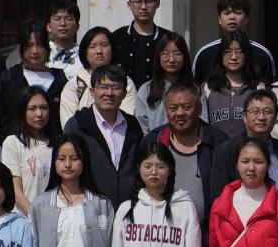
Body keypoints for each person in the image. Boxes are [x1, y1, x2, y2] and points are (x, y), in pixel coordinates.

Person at [66, 66, 148, 206]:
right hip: (89, 207)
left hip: (128, 207)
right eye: (103, 87)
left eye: (116, 87)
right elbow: (68, 169)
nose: (109, 93)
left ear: (124, 93)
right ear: (92, 91)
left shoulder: (133, 125)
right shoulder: (77, 125)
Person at [152, 82, 224, 217]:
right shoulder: (154, 140)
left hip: (208, 227)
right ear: (166, 111)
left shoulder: (219, 142)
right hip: (161, 227)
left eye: (186, 107)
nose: (180, 113)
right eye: (173, 108)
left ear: (199, 109)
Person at [205, 89, 278, 204]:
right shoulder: (227, 150)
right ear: (244, 116)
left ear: (275, 116)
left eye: (267, 112)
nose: (261, 117)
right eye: (255, 111)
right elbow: (218, 197)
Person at [0, 23, 68, 140]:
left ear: (47, 47)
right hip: (15, 146)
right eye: (29, 45)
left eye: (39, 45)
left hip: (52, 145)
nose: (35, 51)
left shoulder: (60, 79)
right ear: (21, 48)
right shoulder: (9, 78)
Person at [61, 27, 144, 128]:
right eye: (92, 46)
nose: (99, 51)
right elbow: (69, 125)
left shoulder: (126, 82)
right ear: (85, 52)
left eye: (104, 45)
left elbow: (126, 119)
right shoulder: (74, 85)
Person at [193, 0, 276, 86]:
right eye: (227, 13)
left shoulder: (262, 54)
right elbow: (195, 88)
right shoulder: (205, 53)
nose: (232, 17)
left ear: (247, 19)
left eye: (238, 13)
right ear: (219, 19)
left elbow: (271, 88)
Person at [114, 0, 175, 88]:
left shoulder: (169, 39)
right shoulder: (116, 38)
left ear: (157, 4)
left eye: (148, 1)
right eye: (138, 2)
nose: (143, 7)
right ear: (129, 5)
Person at [202, 33, 261, 131]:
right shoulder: (208, 88)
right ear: (220, 55)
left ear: (246, 55)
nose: (233, 57)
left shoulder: (258, 88)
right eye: (227, 51)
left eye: (239, 52)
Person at [138, 32, 193, 133]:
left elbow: (202, 124)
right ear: (158, 57)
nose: (171, 59)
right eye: (165, 54)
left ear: (185, 57)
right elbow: (142, 128)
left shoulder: (195, 89)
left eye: (177, 54)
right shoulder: (146, 90)